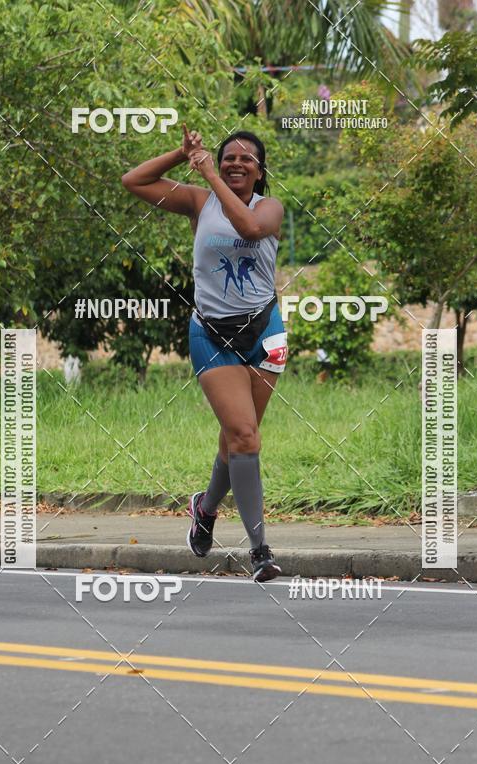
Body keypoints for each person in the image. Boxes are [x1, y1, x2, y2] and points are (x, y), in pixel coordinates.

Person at [122, 125, 288, 581]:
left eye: (245, 159)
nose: (235, 163)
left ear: (260, 170)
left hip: (263, 331)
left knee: (237, 439)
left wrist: (212, 174)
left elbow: (250, 228)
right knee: (245, 437)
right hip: (211, 334)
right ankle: (260, 552)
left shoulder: (269, 207)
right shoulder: (198, 201)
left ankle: (206, 507)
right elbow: (133, 182)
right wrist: (181, 154)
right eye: (227, 157)